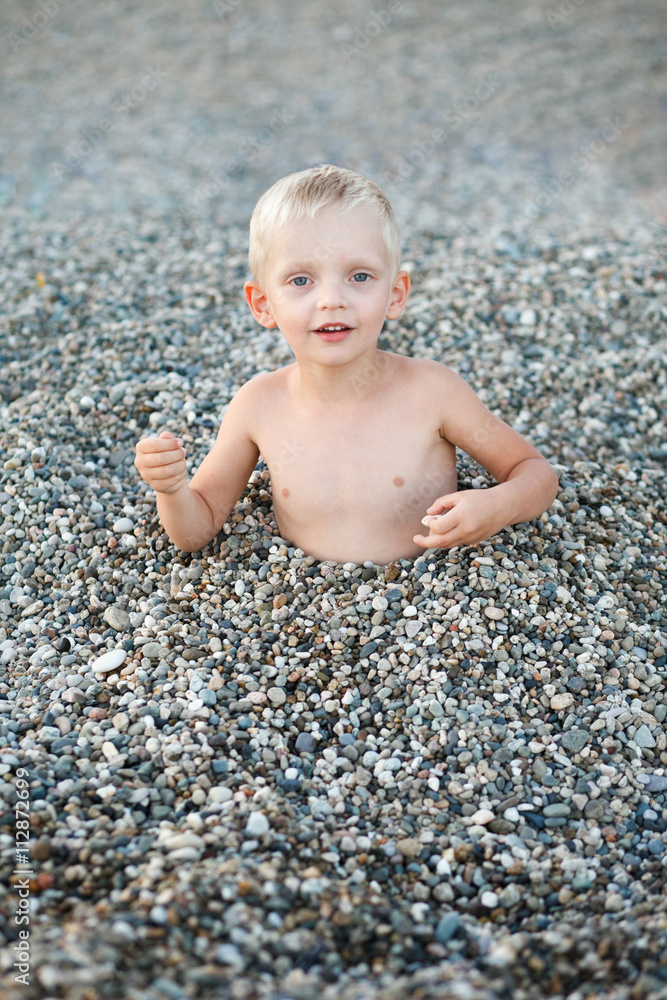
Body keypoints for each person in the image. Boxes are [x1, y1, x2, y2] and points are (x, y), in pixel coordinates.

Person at [134, 164, 558, 565]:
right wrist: (172, 490)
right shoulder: (258, 405)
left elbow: (534, 472)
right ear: (263, 304)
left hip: (434, 612)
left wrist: (496, 506)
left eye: (359, 276)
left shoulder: (434, 392)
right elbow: (197, 529)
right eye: (301, 280)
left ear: (395, 294)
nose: (331, 299)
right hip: (298, 623)